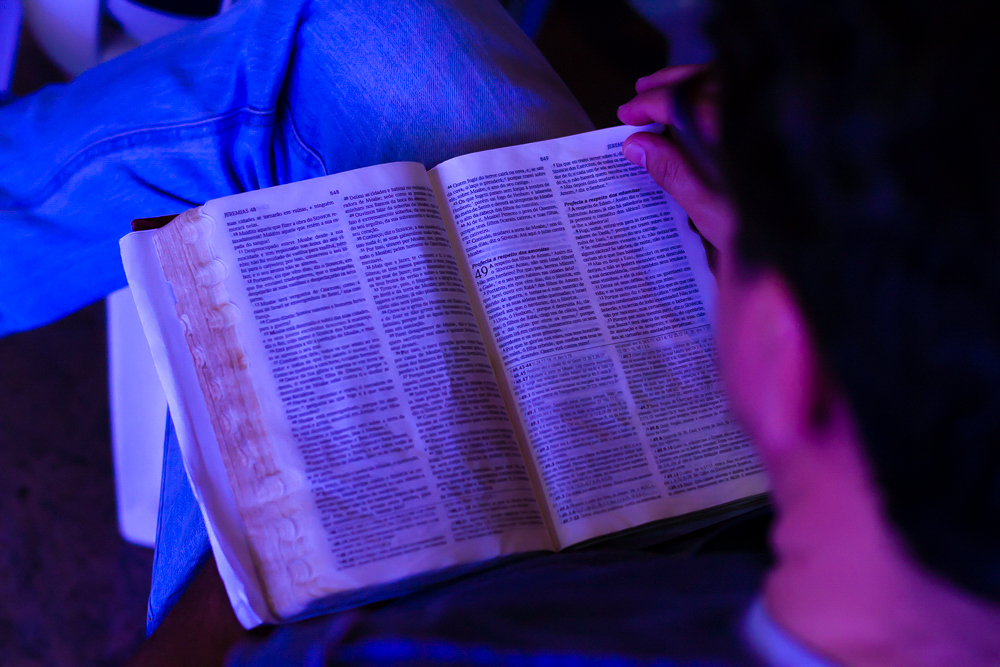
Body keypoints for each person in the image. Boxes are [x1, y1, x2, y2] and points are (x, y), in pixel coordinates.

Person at [3, 1, 998, 666]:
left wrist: (287, 552)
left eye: (762, 256)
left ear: (793, 366)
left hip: (312, 592)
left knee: (326, 42)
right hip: (760, 528)